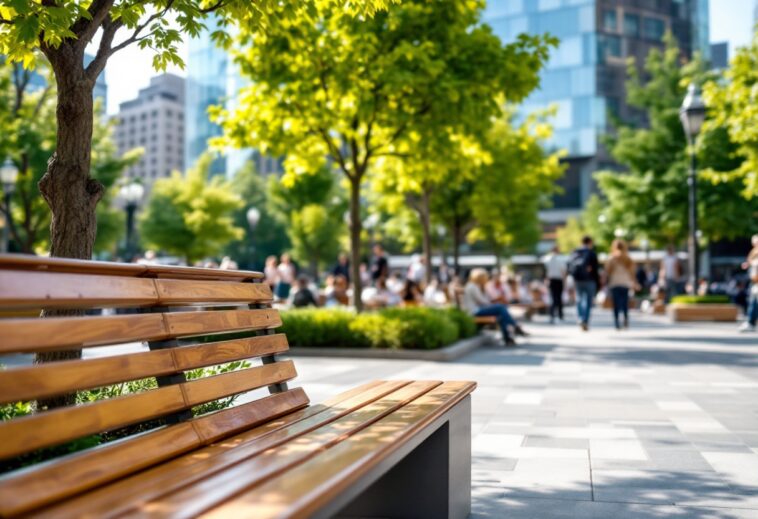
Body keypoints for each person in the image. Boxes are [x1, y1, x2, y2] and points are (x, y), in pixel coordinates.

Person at [462, 268, 528, 347]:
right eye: (484, 278)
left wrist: (494, 300)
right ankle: (513, 328)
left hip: (478, 309)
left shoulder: (477, 286)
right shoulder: (472, 287)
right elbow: (483, 302)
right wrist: (495, 301)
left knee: (502, 313)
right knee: (500, 308)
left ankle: (509, 337)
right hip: (473, 311)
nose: (486, 279)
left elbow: (484, 302)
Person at [569, 236, 600, 331]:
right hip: (590, 279)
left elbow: (570, 266)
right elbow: (595, 269)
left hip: (578, 279)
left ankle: (580, 318)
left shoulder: (575, 252)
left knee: (579, 299)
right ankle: (585, 320)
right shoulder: (591, 253)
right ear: (590, 242)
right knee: (588, 301)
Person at [605, 239, 636, 330]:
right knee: (625, 302)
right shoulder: (628, 258)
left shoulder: (612, 258)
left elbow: (608, 271)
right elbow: (632, 272)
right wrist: (633, 282)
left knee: (616, 304)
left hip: (615, 282)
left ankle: (617, 322)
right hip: (625, 282)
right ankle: (626, 319)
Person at [739, 234, 758, 332]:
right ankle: (751, 322)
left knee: (754, 302)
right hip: (755, 281)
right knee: (753, 302)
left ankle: (751, 322)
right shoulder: (754, 252)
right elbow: (750, 262)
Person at [543, 246, 567, 323]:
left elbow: (546, 271)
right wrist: (565, 282)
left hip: (551, 280)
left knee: (552, 298)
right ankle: (560, 315)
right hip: (558, 280)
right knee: (559, 298)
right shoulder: (560, 259)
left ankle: (552, 315)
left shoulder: (547, 259)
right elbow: (563, 271)